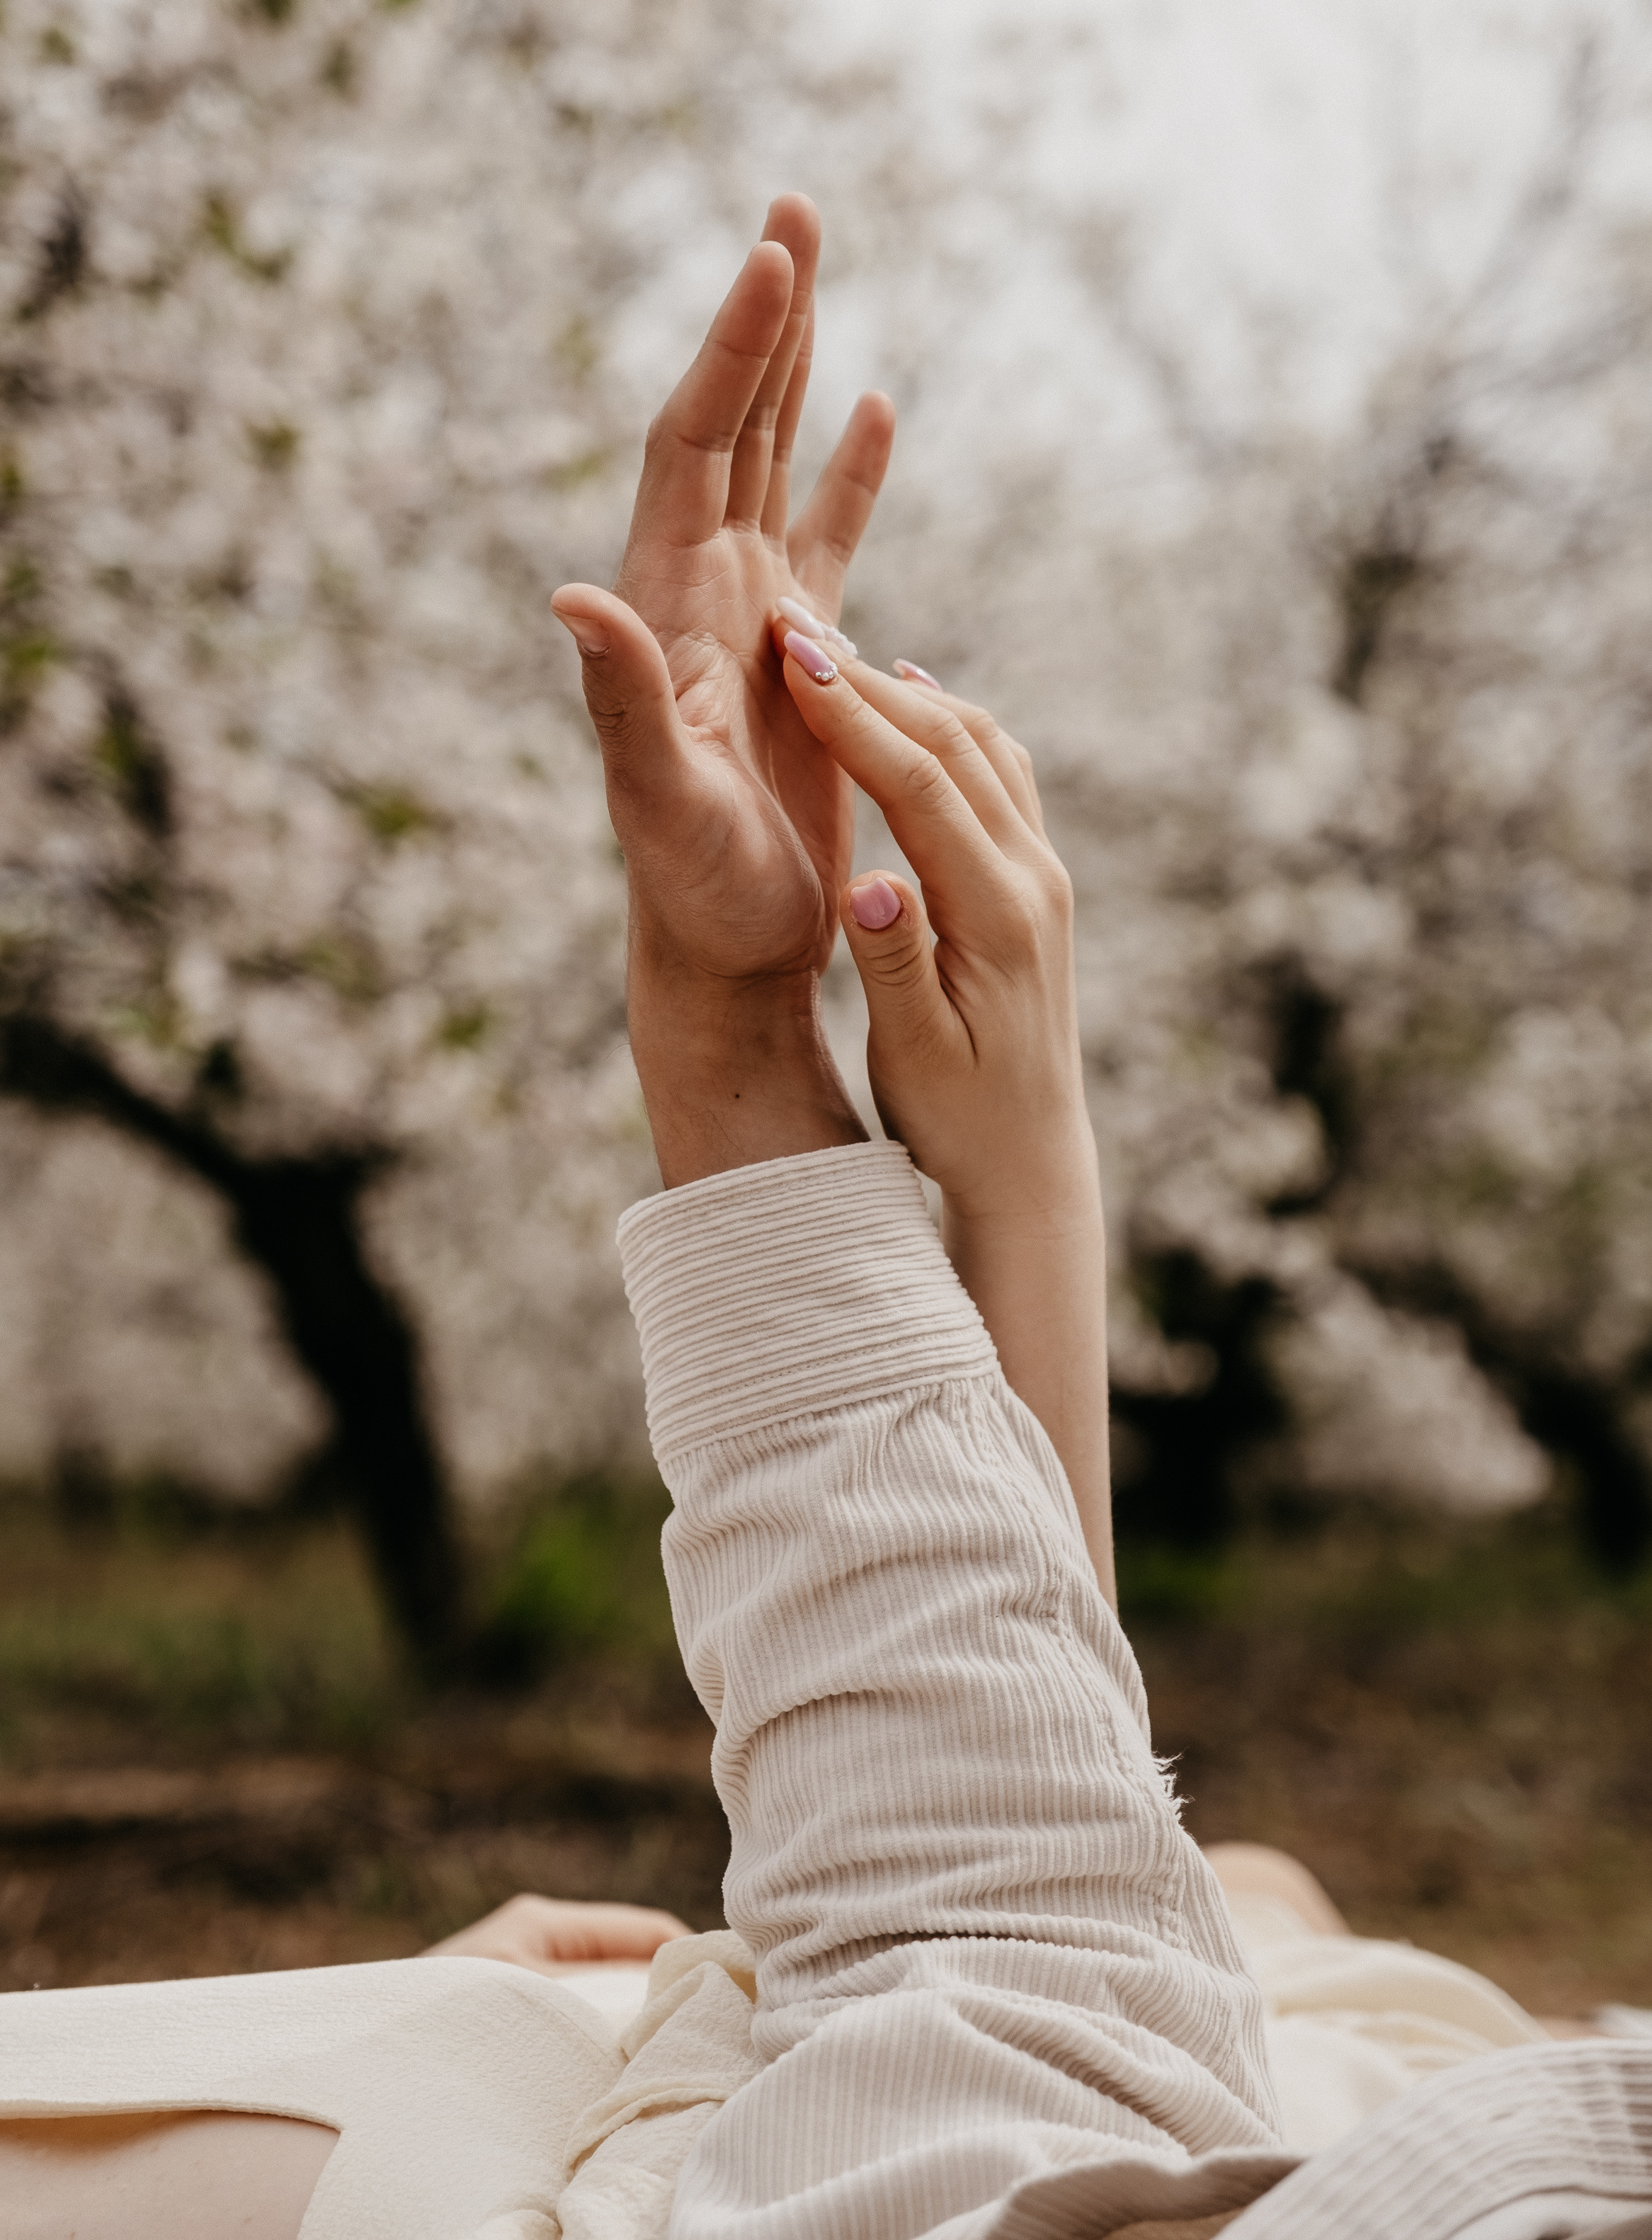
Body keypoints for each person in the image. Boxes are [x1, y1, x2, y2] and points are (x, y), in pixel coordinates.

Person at [2, 199, 1648, 2240]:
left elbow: (1010, 2036)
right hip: (1179, 1998)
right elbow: (1078, 2000)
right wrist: (999, 1186)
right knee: (1270, 1899)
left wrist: (754, 1057)